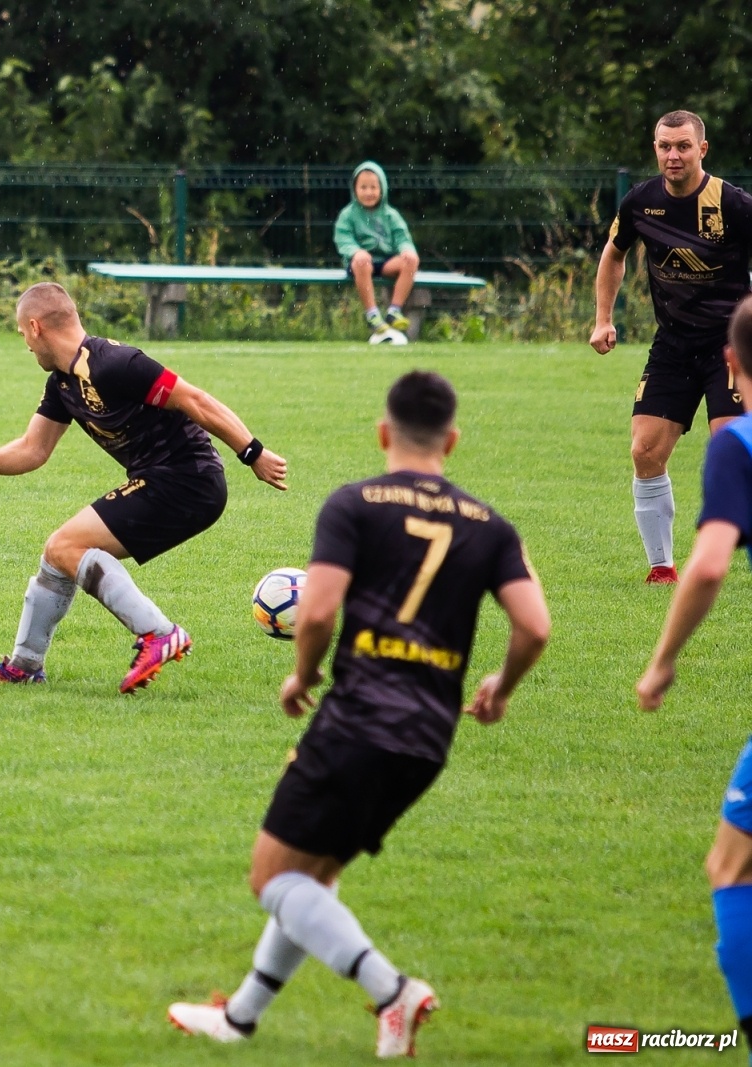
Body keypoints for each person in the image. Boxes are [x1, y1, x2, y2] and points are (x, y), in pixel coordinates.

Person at [169, 371, 550, 1057]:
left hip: (357, 722)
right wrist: (501, 687)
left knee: (274, 878)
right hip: (429, 736)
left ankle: (391, 989)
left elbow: (316, 611)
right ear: (452, 441)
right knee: (315, 877)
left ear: (382, 433)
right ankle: (241, 1018)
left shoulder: (355, 504)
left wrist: (304, 674)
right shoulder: (491, 526)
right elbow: (535, 626)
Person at [0, 282, 288, 694]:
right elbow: (33, 449)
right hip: (163, 481)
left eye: (23, 333)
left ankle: (159, 633)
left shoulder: (115, 362)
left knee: (65, 546)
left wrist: (252, 452)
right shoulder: (63, 382)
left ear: (36, 327)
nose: (25, 344)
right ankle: (25, 665)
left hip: (188, 480)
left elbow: (196, 400)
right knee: (59, 553)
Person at [636, 294, 752, 1057]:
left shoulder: (738, 443)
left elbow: (708, 565)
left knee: (732, 865)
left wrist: (663, 660)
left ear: (731, 365)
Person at [590, 110, 752, 585]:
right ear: (655, 149)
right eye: (665, 146)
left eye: (683, 146)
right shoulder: (641, 202)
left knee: (732, 445)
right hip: (673, 346)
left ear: (702, 149)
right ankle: (662, 567)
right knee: (644, 450)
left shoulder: (734, 204)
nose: (673, 155)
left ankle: (728, 551)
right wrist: (603, 319)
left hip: (729, 347)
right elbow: (614, 253)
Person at [333, 162, 421, 343]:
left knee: (411, 260)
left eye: (373, 187)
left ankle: (394, 311)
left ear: (382, 189)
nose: (368, 192)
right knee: (362, 262)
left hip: (386, 262)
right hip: (360, 264)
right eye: (363, 187)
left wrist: (406, 250)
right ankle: (372, 314)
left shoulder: (391, 215)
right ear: (355, 189)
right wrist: (356, 252)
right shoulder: (347, 215)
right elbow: (343, 239)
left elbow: (402, 237)